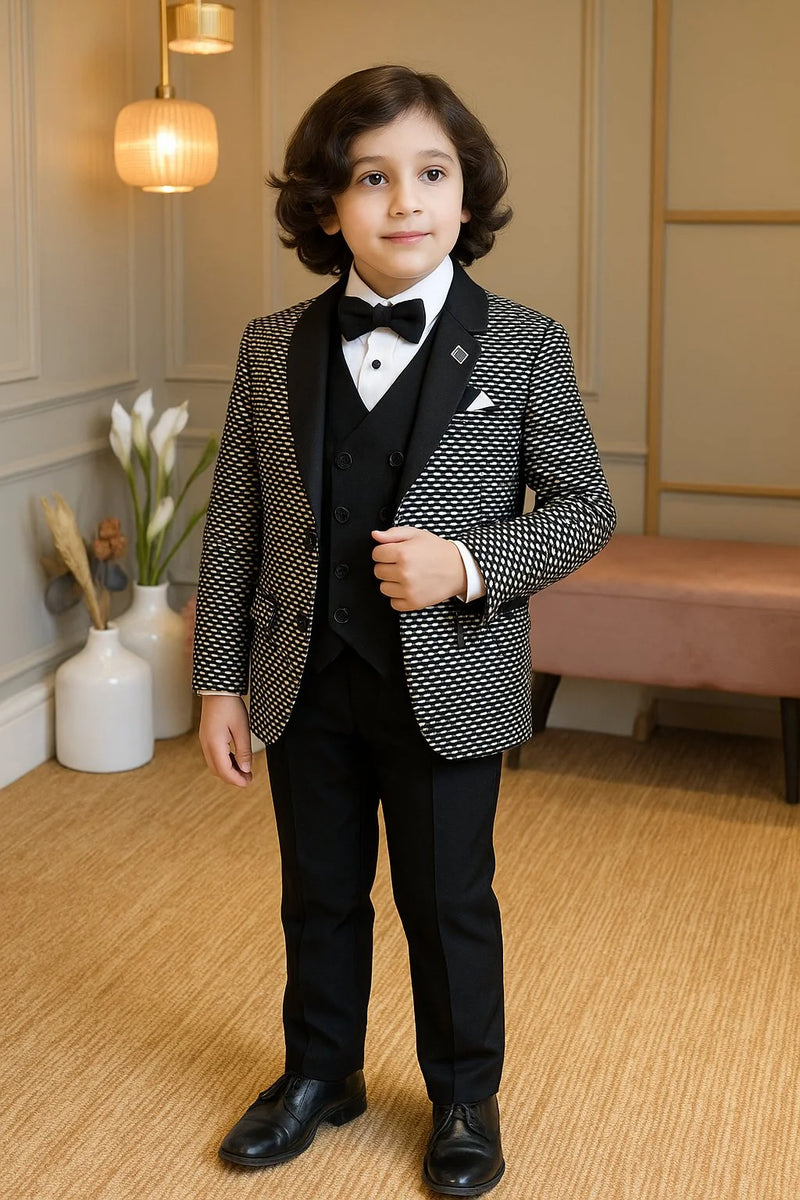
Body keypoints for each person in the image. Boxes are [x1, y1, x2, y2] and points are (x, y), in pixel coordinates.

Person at [193, 64, 615, 1197]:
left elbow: (585, 507)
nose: (402, 202)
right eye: (369, 179)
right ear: (325, 208)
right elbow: (236, 518)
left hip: (451, 679)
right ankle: (318, 1073)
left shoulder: (521, 344)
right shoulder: (266, 345)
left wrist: (470, 563)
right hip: (304, 674)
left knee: (446, 899)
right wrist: (218, 683)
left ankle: (463, 1096)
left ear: (466, 196)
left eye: (429, 174)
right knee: (318, 889)